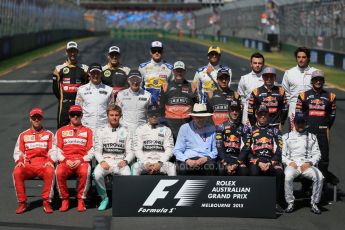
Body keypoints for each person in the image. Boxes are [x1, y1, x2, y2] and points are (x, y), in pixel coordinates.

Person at [296, 70, 338, 185]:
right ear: (312, 81)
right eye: (316, 79)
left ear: (324, 81)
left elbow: (332, 115)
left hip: (323, 132)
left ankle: (322, 187)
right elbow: (298, 114)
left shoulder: (331, 96)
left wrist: (325, 125)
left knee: (323, 160)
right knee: (306, 159)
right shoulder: (303, 95)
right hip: (307, 132)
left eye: (320, 80)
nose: (318, 81)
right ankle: (306, 187)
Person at [241, 105, 285, 212]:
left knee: (279, 173)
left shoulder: (275, 130)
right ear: (256, 115)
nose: (263, 116)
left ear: (268, 115)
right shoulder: (249, 130)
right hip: (256, 160)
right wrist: (258, 162)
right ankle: (253, 201)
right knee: (253, 172)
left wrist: (270, 162)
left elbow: (280, 149)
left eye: (265, 114)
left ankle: (276, 202)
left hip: (271, 161)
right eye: (260, 114)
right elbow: (246, 150)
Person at [13, 107, 56, 214]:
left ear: (42, 119)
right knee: (17, 171)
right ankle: (22, 203)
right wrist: (19, 161)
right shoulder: (23, 135)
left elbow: (53, 150)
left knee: (51, 170)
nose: (36, 120)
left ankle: (46, 202)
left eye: (39, 117)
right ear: (30, 119)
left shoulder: (49, 134)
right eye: (34, 117)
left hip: (44, 164)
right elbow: (19, 151)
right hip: (29, 165)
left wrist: (51, 160)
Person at [93, 105, 134, 211]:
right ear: (107, 116)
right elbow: (97, 151)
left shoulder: (126, 130)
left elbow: (131, 151)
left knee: (128, 175)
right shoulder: (100, 130)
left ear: (120, 116)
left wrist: (126, 161)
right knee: (96, 174)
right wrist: (101, 161)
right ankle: (104, 198)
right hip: (106, 161)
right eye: (111, 115)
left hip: (120, 161)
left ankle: (123, 199)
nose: (114, 117)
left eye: (116, 115)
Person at [282, 113, 324, 214]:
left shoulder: (312, 137)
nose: (300, 124)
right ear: (294, 123)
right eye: (298, 122)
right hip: (293, 164)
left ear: (305, 123)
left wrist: (310, 163)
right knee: (287, 177)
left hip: (307, 165)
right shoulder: (286, 137)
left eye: (302, 122)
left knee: (320, 176)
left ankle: (314, 203)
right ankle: (290, 203)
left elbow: (317, 154)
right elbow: (282, 155)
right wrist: (289, 162)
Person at [55, 105, 94, 212]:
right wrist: (64, 160)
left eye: (78, 114)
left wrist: (81, 160)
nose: (75, 117)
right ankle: (64, 199)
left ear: (82, 116)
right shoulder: (61, 131)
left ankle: (81, 199)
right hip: (66, 160)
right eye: (73, 115)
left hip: (81, 160)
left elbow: (92, 150)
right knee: (58, 172)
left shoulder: (89, 131)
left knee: (86, 171)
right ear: (69, 116)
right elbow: (57, 149)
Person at [174, 103, 217, 175]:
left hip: (205, 159)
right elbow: (177, 150)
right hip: (189, 158)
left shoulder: (212, 128)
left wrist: (206, 158)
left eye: (202, 117)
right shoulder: (184, 128)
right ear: (193, 117)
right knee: (182, 168)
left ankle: (209, 186)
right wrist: (187, 160)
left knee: (211, 166)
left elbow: (215, 150)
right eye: (197, 117)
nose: (200, 120)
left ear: (206, 117)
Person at [52, 41, 88, 128]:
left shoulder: (85, 69)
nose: (72, 53)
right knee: (62, 129)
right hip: (64, 105)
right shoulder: (59, 69)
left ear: (77, 52)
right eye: (70, 51)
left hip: (79, 105)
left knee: (80, 128)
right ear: (66, 52)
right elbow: (55, 89)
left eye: (74, 51)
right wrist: (64, 99)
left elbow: (87, 87)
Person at [132, 106, 176, 176]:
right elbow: (137, 149)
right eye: (151, 114)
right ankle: (133, 187)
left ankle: (174, 187)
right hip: (145, 162)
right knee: (135, 167)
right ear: (147, 116)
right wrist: (146, 162)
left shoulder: (166, 129)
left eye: (156, 114)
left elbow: (170, 149)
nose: (154, 116)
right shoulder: (139, 129)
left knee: (172, 167)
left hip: (161, 162)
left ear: (159, 115)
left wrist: (160, 162)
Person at [158, 61, 196, 140]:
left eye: (181, 71)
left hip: (187, 125)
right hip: (170, 126)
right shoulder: (166, 86)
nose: (179, 73)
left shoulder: (192, 86)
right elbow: (161, 107)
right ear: (173, 72)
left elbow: (195, 107)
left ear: (185, 72)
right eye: (177, 71)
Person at [282, 47, 317, 129]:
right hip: (293, 110)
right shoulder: (289, 73)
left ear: (308, 58)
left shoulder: (315, 73)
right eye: (299, 57)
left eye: (304, 57)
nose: (301, 60)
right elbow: (285, 93)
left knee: (311, 136)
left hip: (311, 109)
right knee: (294, 137)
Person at [76, 63, 113, 133]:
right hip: (86, 127)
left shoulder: (109, 90)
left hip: (103, 128)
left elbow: (111, 110)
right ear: (89, 74)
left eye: (98, 73)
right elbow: (78, 109)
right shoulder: (81, 89)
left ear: (101, 74)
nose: (95, 75)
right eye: (93, 73)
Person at [215, 100, 250, 176]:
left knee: (244, 172)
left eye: (237, 110)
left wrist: (237, 162)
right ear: (228, 111)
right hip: (224, 158)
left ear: (240, 112)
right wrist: (226, 163)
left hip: (238, 158)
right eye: (232, 110)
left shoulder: (245, 128)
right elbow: (219, 146)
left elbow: (247, 146)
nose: (234, 112)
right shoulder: (221, 126)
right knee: (221, 170)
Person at [138, 41, 172, 105]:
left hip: (163, 101)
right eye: (154, 50)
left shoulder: (170, 68)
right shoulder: (142, 67)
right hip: (147, 102)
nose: (157, 53)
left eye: (159, 51)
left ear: (162, 52)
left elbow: (173, 86)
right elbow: (139, 87)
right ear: (150, 52)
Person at [237, 52, 265, 125]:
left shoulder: (268, 79)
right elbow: (240, 98)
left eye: (260, 63)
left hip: (264, 115)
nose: (257, 65)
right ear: (251, 64)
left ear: (263, 64)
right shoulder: (244, 79)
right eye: (255, 63)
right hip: (247, 115)